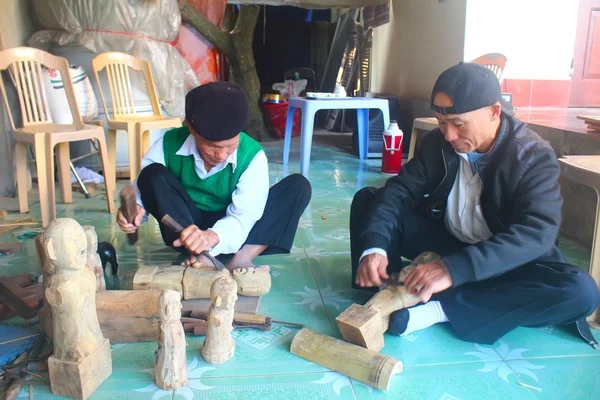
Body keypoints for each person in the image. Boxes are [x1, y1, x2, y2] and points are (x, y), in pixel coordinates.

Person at [350, 62, 600, 346]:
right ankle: (387, 291)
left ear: (494, 112)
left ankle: (440, 309)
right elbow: (398, 192)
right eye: (442, 123)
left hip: (501, 259)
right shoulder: (438, 144)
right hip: (448, 243)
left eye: (458, 124)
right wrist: (374, 248)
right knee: (369, 200)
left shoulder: (532, 156)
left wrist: (455, 269)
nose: (449, 135)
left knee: (581, 292)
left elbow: (537, 234)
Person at [117, 82, 311, 271]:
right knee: (153, 174)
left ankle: (241, 258)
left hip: (235, 229)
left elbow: (244, 216)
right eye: (213, 147)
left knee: (298, 187)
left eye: (230, 146)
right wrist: (136, 209)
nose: (221, 155)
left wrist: (212, 236)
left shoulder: (252, 156)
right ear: (191, 129)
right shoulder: (167, 144)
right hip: (186, 230)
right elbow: (143, 188)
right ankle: (201, 255)